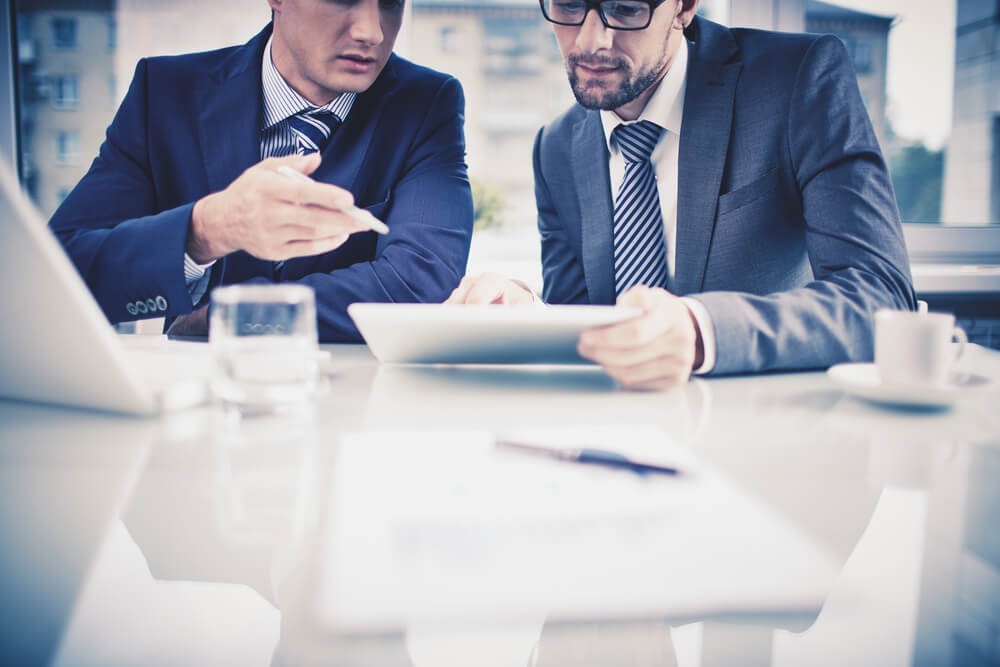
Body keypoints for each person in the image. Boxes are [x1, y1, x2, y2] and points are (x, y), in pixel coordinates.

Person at [447, 0, 915, 390]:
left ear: (684, 7)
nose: (589, 42)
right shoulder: (555, 147)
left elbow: (883, 298)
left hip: (777, 442)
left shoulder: (798, 78)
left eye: (626, 9)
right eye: (569, 5)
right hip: (626, 454)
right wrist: (527, 314)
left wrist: (698, 330)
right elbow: (586, 327)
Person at [49, 0, 473, 341]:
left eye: (391, 3)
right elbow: (60, 275)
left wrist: (232, 315)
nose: (372, 31)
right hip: (200, 406)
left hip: (355, 412)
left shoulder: (426, 103)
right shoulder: (164, 93)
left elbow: (421, 280)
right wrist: (206, 231)